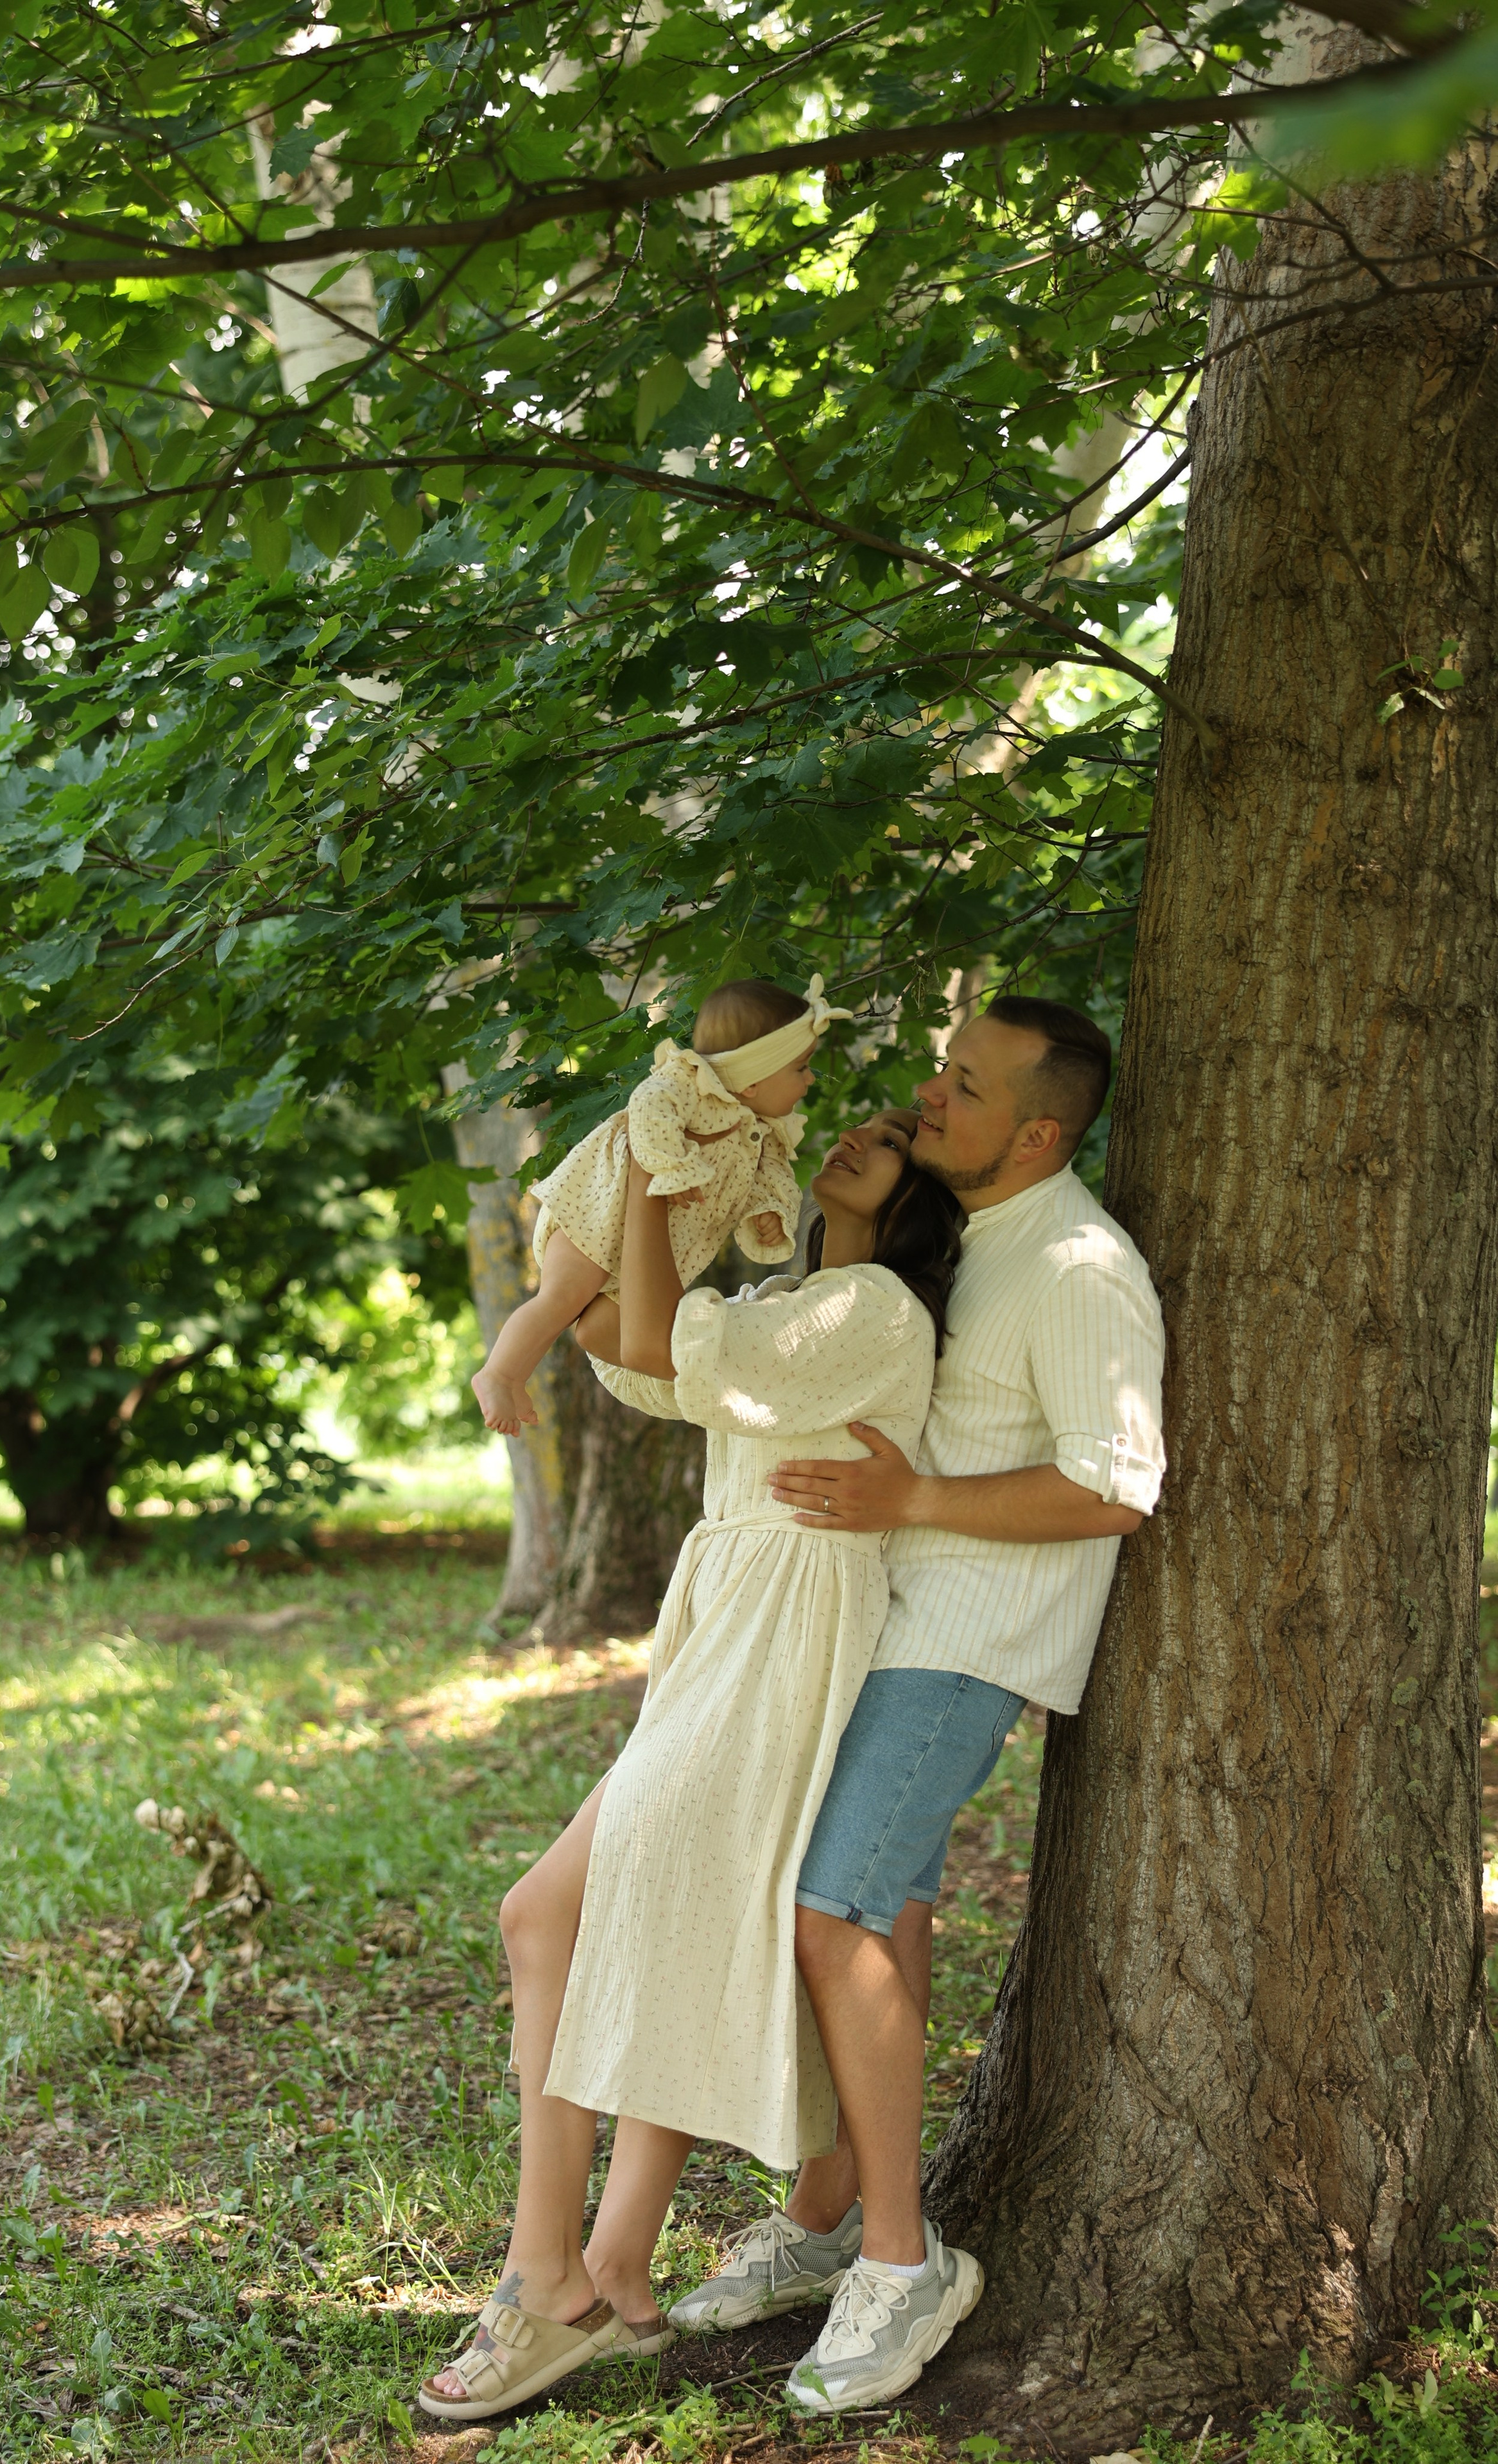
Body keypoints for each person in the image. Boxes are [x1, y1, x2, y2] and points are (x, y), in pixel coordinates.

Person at [418, 1107, 972, 2424]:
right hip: (725, 1623)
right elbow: (635, 1344)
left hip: (787, 1631)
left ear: (919, 1198)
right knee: (548, 1915)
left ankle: (577, 2270)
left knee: (621, 1908)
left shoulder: (879, 1311)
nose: (859, 1132)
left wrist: (668, 1189)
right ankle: (565, 2267)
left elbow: (671, 1336)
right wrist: (628, 1203)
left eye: (894, 1138)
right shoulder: (790, 1299)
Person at [672, 995, 1166, 2417]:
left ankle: (901, 2263)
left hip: (963, 1639)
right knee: (872, 1912)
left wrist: (915, 1502)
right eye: (939, 1073)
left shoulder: (1078, 1267)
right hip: (879, 1617)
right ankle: (827, 2212)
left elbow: (1113, 1486)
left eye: (963, 1084)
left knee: (828, 1912)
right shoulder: (970, 1238)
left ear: (1040, 1131)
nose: (929, 1094)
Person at [470, 975, 852, 1435]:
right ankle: (500, 1373)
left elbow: (775, 1178)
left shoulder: (762, 1130)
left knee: (609, 1322)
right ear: (753, 1078)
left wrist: (768, 1211)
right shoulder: (685, 1085)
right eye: (801, 1068)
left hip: (648, 1250)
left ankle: (693, 1380)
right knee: (560, 1299)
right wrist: (675, 1166)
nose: (810, 1079)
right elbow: (648, 1110)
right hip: (598, 1213)